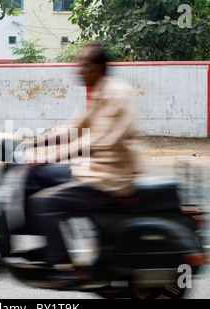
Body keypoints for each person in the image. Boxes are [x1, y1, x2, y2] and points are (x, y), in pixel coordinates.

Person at [27, 41, 145, 267]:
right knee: (35, 177)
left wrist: (50, 156)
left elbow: (98, 140)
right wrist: (34, 142)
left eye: (85, 65)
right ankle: (51, 243)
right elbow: (75, 129)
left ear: (101, 68)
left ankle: (63, 264)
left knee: (44, 203)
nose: (79, 70)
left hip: (110, 179)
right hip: (94, 170)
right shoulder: (99, 93)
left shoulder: (117, 95)